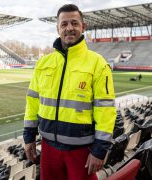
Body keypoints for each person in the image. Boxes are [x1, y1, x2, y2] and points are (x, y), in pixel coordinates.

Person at [23, 4, 116, 180]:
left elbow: (106, 110)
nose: (69, 28)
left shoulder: (98, 64)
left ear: (83, 27)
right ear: (58, 28)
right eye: (64, 24)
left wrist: (100, 149)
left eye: (74, 23)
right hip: (48, 148)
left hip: (81, 151)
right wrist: (29, 137)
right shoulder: (43, 63)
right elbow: (32, 102)